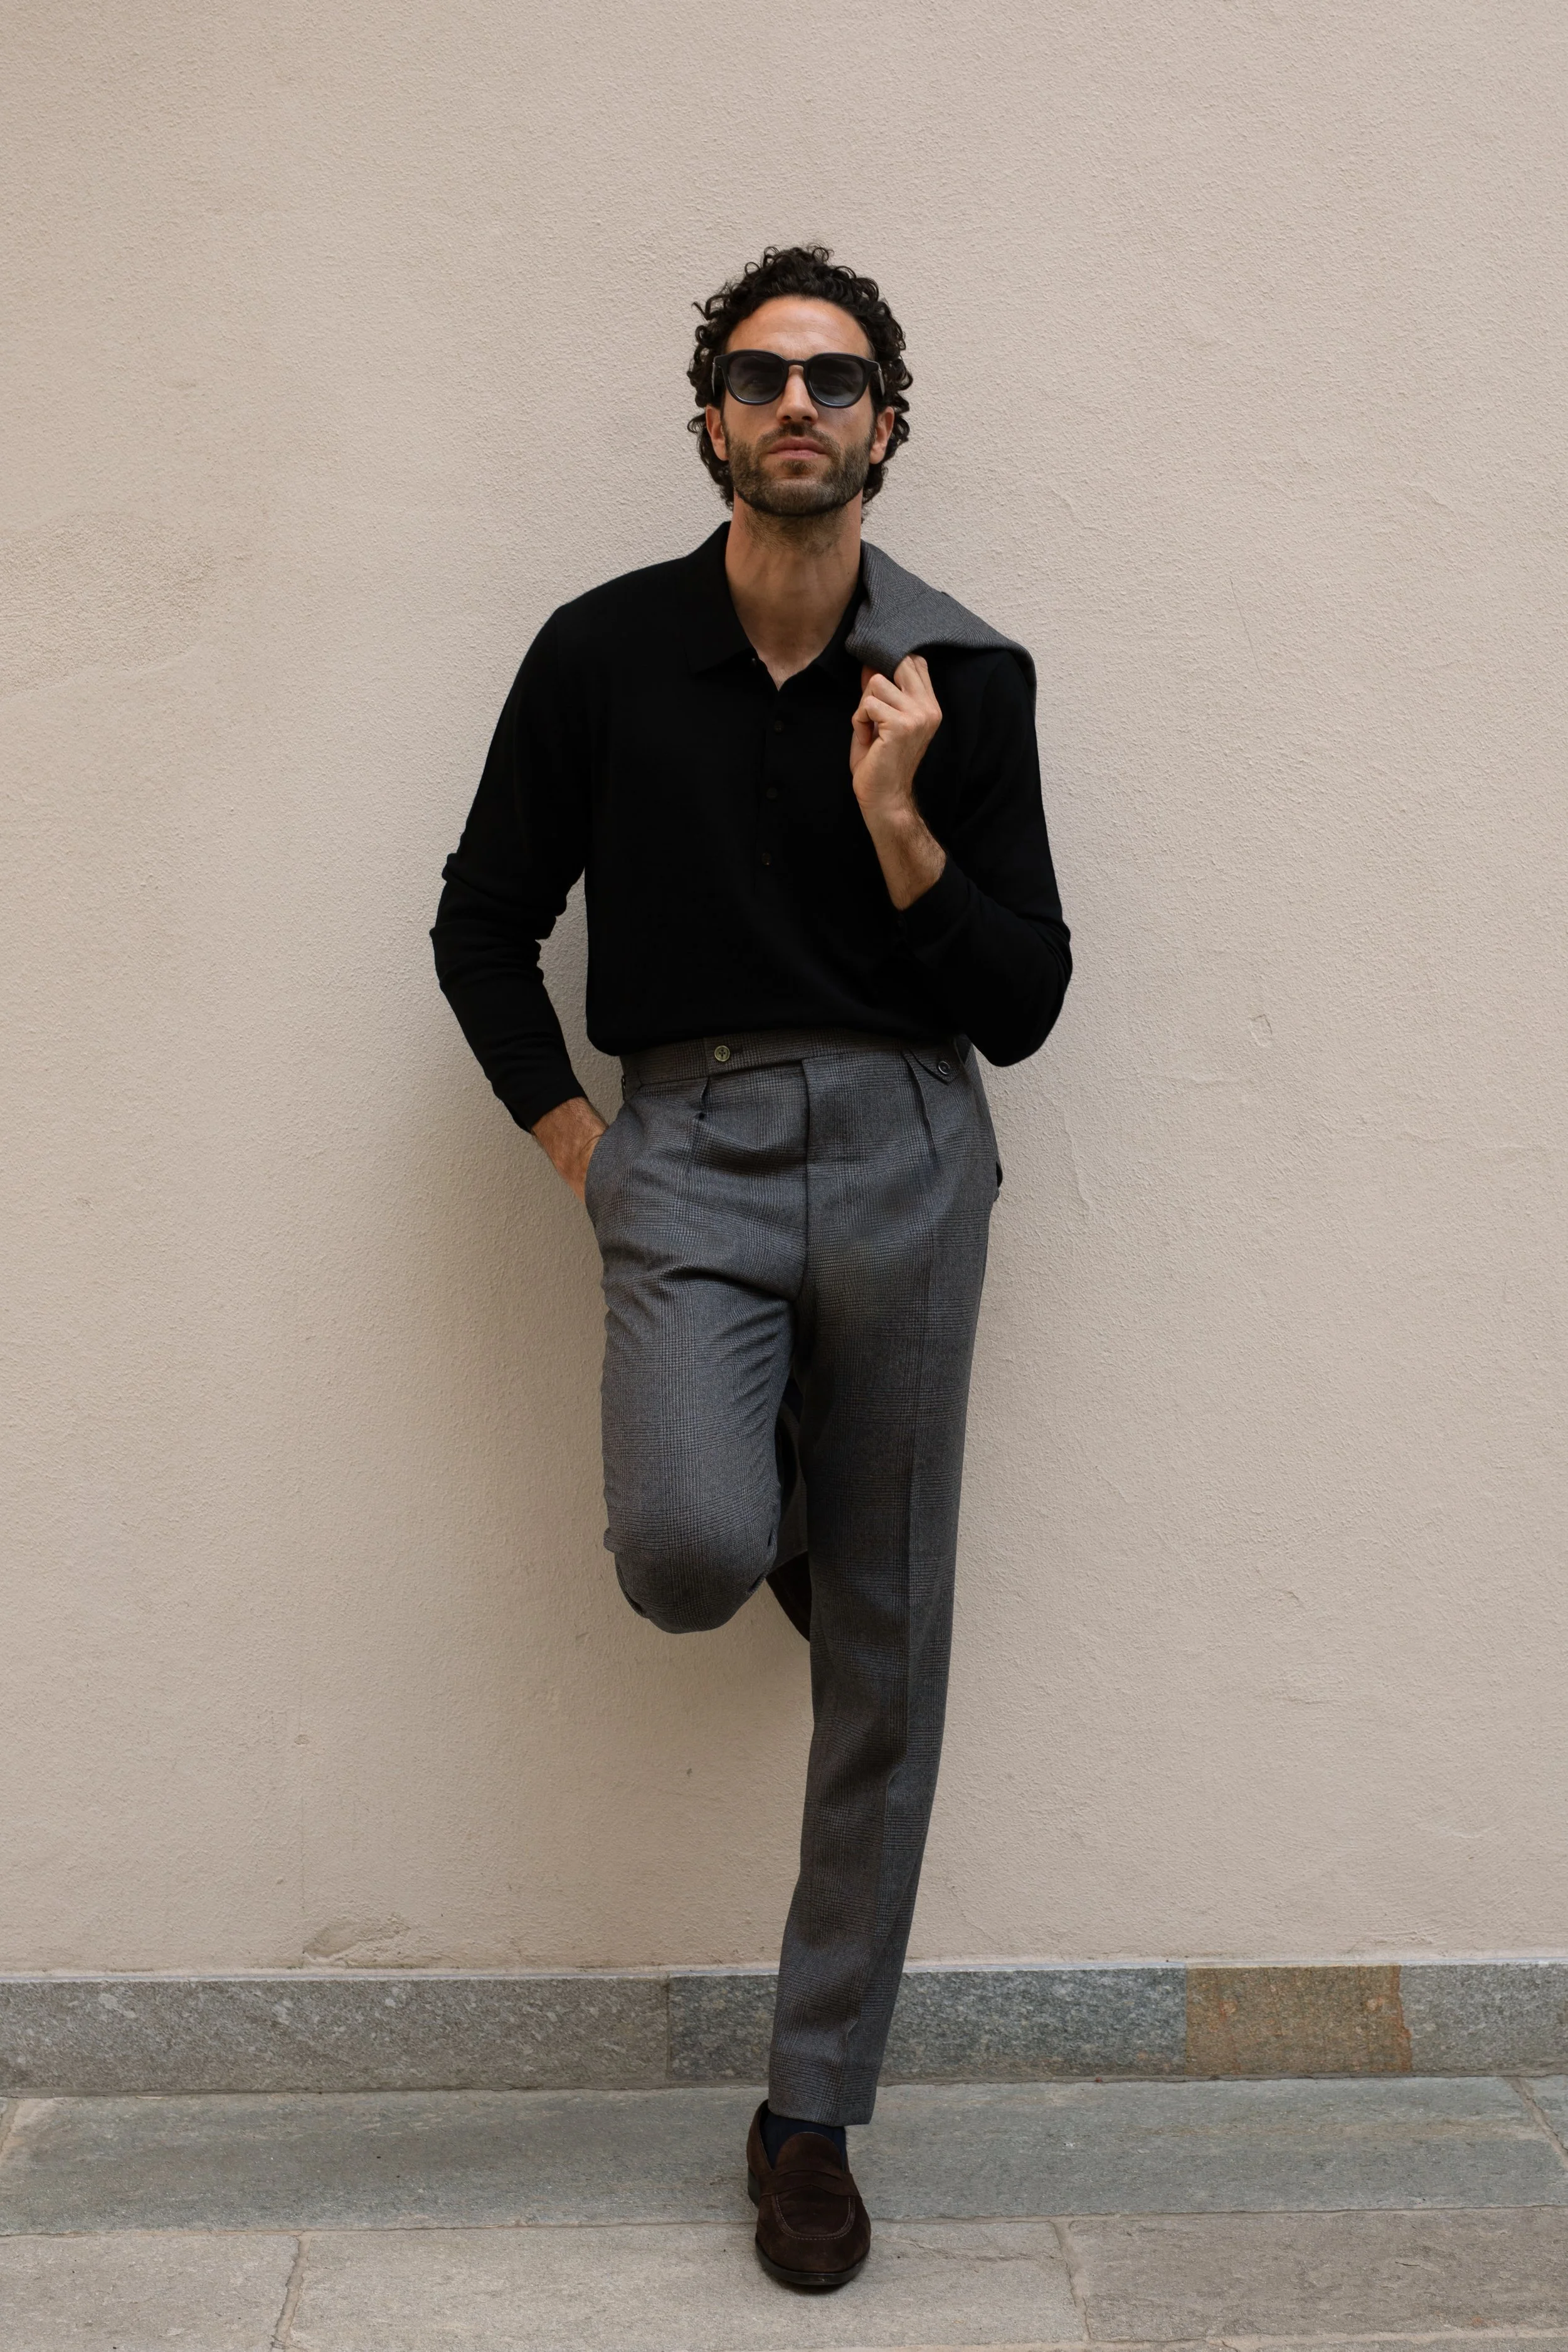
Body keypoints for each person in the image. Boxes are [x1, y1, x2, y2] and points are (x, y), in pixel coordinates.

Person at [432, 243, 1071, 2292]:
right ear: (708, 415)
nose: (799, 403)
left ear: (888, 422)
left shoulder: (967, 680)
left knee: (889, 1647)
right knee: (691, 1543)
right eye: (760, 372)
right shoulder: (600, 652)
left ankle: (810, 2113)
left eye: (838, 376)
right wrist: (585, 1157)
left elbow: (1027, 1000)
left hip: (903, 1146)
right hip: (683, 1146)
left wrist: (902, 824)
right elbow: (478, 922)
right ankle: (799, 1493)